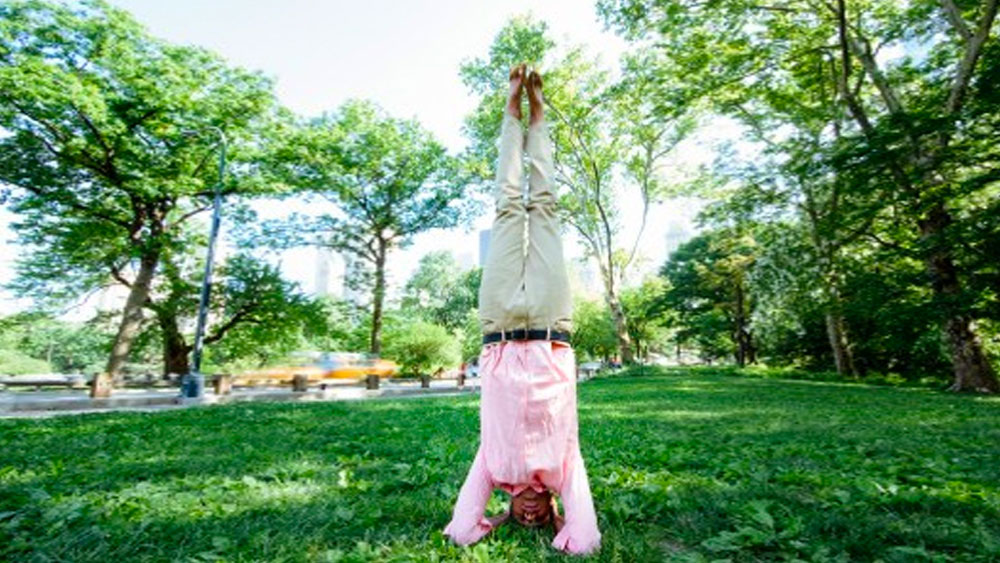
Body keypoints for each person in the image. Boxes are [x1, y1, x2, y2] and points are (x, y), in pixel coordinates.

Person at [443, 64, 600, 555]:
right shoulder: (565, 468)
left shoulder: (492, 465)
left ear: (507, 508)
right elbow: (588, 542)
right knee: (546, 207)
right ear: (555, 510)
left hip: (499, 327)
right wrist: (564, 531)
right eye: (539, 518)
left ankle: (511, 112)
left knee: (509, 208)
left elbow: (462, 531)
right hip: (552, 324)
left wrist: (487, 518)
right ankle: (538, 115)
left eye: (521, 519)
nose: (529, 514)